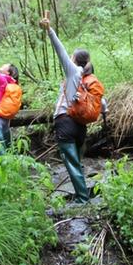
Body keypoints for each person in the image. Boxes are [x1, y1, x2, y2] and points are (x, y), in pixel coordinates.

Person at [39, 11, 94, 203]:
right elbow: (101, 102)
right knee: (77, 162)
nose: (68, 58)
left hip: (65, 121)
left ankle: (82, 199)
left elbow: (59, 50)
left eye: (71, 56)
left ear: (75, 60)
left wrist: (50, 31)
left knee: (71, 163)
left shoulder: (73, 72)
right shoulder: (88, 78)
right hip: (80, 125)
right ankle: (84, 194)